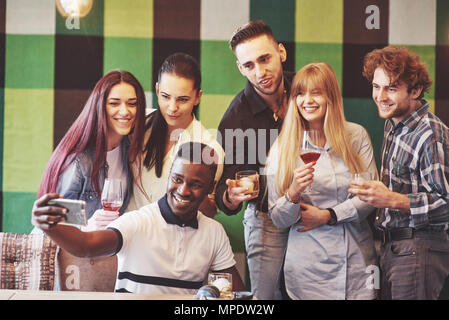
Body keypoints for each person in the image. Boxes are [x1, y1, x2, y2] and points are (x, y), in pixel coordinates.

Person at [32, 142, 245, 295]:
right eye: (177, 179)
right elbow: (85, 246)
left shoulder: (214, 232)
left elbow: (236, 291)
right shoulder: (138, 222)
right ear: (169, 176)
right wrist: (49, 226)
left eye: (195, 184)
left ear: (210, 188)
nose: (183, 190)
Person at [265, 62, 378, 300]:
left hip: (357, 267)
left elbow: (369, 198)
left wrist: (329, 215)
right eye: (300, 93)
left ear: (331, 97)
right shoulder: (282, 148)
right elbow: (278, 218)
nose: (308, 100)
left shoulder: (356, 136)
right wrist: (293, 193)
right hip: (308, 273)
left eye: (316, 92)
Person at [349, 46, 449, 300]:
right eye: (376, 86)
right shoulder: (393, 124)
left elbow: (446, 203)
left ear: (415, 91)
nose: (380, 96)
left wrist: (391, 199)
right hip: (394, 248)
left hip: (420, 248)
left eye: (391, 88)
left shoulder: (430, 134)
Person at [214, 20, 294, 299]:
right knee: (266, 298)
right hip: (265, 218)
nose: (260, 72)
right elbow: (224, 193)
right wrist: (232, 196)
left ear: (281, 53)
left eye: (265, 59)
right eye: (249, 65)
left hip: (312, 215)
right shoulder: (235, 118)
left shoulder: (307, 90)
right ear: (240, 68)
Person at [36, 70, 146, 230]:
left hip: (100, 251)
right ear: (100, 107)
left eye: (132, 103)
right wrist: (87, 224)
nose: (125, 111)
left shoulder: (129, 151)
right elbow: (52, 220)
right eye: (114, 103)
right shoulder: (80, 159)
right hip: (64, 251)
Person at [126, 53, 224, 218]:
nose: (172, 107)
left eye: (182, 99)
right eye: (165, 96)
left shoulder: (209, 149)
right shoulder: (136, 124)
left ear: (197, 97)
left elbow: (209, 212)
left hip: (174, 239)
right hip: (126, 232)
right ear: (157, 90)